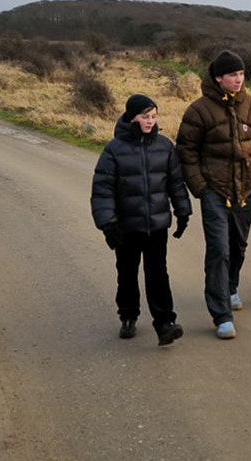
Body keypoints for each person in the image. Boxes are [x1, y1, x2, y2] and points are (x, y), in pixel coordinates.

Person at [175, 50, 251, 340]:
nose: (238, 80)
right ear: (218, 78)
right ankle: (221, 314)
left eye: (241, 74)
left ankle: (230, 288)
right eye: (232, 75)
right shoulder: (199, 110)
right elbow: (186, 151)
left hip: (248, 190)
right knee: (218, 249)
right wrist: (201, 188)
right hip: (215, 191)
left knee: (238, 246)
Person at [90, 94, 190, 346]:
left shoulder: (165, 146)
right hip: (126, 227)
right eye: (145, 117)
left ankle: (165, 323)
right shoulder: (114, 150)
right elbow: (102, 190)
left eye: (154, 116)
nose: (150, 121)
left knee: (158, 273)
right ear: (132, 117)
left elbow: (176, 183)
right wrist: (108, 224)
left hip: (156, 225)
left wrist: (182, 211)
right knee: (127, 272)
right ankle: (128, 315)